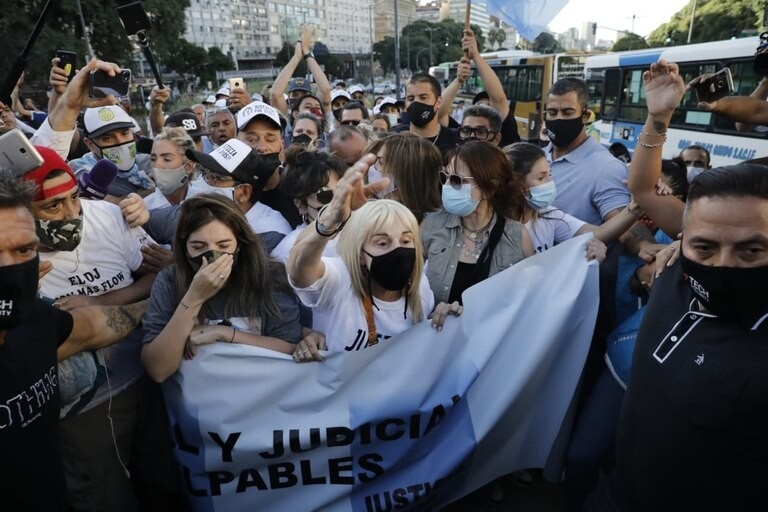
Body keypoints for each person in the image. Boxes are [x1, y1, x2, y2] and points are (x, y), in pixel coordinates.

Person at [587, 58, 768, 511]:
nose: (722, 263)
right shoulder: (675, 261)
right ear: (682, 234)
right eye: (705, 247)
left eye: (751, 251)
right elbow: (644, 189)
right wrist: (657, 118)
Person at [0, 169, 147, 512]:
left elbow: (96, 326)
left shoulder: (35, 322)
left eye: (23, 251)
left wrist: (182, 297)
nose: (10, 268)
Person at [141, 193, 303, 384]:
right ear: (184, 248)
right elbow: (157, 369)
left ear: (239, 245)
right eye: (199, 246)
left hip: (259, 389)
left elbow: (288, 345)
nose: (212, 255)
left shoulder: (269, 277)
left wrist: (225, 334)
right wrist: (193, 299)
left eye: (223, 245)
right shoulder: (169, 281)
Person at [287, 155, 438, 353]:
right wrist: (330, 218)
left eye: (406, 240)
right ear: (359, 254)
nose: (397, 249)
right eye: (382, 243)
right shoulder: (341, 279)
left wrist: (444, 317)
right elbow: (300, 270)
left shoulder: (420, 289)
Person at [421, 141, 534, 307]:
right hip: (438, 330)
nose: (447, 186)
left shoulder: (516, 236)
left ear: (489, 189)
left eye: (457, 181)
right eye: (445, 177)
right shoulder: (431, 225)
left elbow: (531, 297)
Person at [504, 142, 641, 256]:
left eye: (549, 175)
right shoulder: (495, 223)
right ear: (517, 182)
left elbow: (597, 234)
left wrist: (636, 206)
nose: (550, 182)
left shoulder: (549, 215)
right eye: (541, 178)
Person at [187, 138, 292, 253]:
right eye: (205, 172)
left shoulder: (270, 233)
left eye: (217, 178)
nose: (206, 182)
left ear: (244, 192)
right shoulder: (198, 211)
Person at [438, 30, 520, 146]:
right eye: (467, 130)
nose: (472, 135)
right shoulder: (460, 135)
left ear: (497, 137)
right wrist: (458, 80)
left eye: (481, 131)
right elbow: (438, 112)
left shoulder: (506, 137)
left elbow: (498, 99)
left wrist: (475, 56)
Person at [271, 146, 346, 263]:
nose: (338, 202)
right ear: (300, 205)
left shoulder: (363, 233)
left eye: (343, 191)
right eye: (325, 194)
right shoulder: (287, 252)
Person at [235, 100, 302, 227]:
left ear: (282, 148)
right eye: (251, 139)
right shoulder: (226, 193)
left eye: (270, 139)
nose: (261, 147)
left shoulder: (299, 190)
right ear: (235, 144)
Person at [68, 104, 155, 197]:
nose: (120, 142)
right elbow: (112, 203)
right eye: (107, 138)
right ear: (90, 144)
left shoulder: (145, 160)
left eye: (125, 133)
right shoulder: (81, 170)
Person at [365, 132, 442, 223]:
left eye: (381, 162)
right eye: (375, 161)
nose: (372, 167)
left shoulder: (434, 228)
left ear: (407, 174)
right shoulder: (366, 211)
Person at [144, 127, 208, 210]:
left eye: (167, 159)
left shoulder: (206, 203)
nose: (157, 165)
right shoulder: (144, 208)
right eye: (153, 159)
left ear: (189, 167)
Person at [398, 73, 460, 156]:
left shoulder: (455, 140)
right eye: (411, 99)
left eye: (423, 98)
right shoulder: (395, 139)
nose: (416, 102)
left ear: (438, 102)